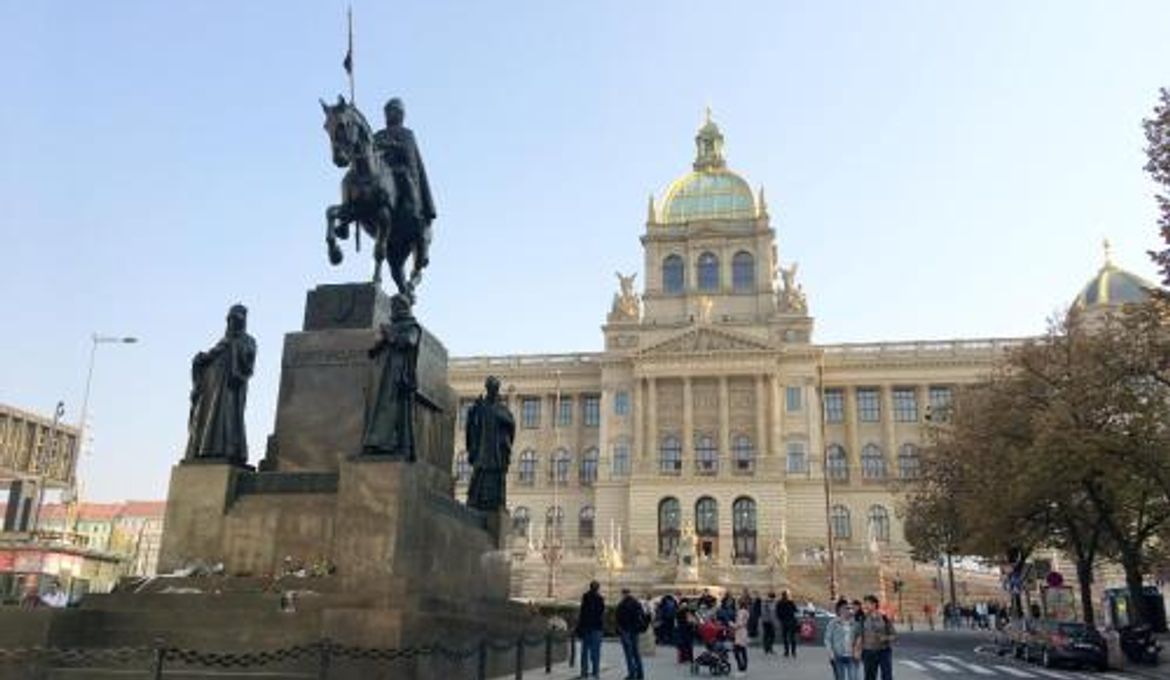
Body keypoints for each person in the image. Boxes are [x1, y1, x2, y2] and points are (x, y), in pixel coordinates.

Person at [373, 97, 436, 284]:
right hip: (379, 179)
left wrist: (390, 147)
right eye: (386, 111)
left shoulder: (407, 134)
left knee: (405, 178)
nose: (388, 115)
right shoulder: (378, 134)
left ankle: (416, 220)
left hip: (401, 175)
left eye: (392, 111)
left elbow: (409, 157)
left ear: (400, 114)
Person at [854, 594, 895, 680]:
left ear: (874, 604)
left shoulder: (884, 618)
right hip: (868, 652)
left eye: (867, 604)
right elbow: (859, 636)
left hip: (884, 651)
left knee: (887, 676)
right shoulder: (863, 619)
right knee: (869, 677)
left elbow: (894, 635)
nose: (865, 606)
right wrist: (857, 651)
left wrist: (886, 638)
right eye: (865, 604)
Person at [616, 588, 647, 680]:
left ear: (623, 594)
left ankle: (632, 674)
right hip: (635, 631)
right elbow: (642, 616)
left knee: (629, 654)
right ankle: (640, 674)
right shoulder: (637, 603)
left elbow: (618, 618)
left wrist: (620, 629)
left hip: (626, 631)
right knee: (636, 653)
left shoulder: (622, 604)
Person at [576, 581, 605, 678]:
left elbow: (582, 613)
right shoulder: (600, 599)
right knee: (595, 652)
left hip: (587, 628)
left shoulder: (586, 597)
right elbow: (601, 613)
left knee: (585, 652)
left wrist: (580, 627)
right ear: (598, 588)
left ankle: (584, 672)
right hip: (596, 628)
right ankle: (595, 672)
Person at [825, 599, 858, 680]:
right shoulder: (833, 623)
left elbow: (859, 638)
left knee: (853, 677)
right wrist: (831, 653)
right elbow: (827, 639)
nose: (849, 610)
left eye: (850, 608)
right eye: (846, 608)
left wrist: (858, 652)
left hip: (852, 655)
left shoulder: (855, 623)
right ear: (840, 610)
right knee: (840, 678)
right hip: (838, 655)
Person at [776, 590, 798, 657]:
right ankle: (793, 652)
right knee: (792, 637)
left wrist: (780, 619)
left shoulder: (779, 603)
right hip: (791, 621)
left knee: (785, 637)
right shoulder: (790, 602)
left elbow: (778, 613)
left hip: (784, 622)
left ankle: (786, 652)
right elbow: (795, 610)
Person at [732, 597, 750, 675]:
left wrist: (732, 624)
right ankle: (744, 666)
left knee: (736, 650)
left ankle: (740, 665)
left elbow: (739, 623)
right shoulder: (746, 612)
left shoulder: (741, 612)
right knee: (743, 650)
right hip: (744, 632)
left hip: (739, 632)